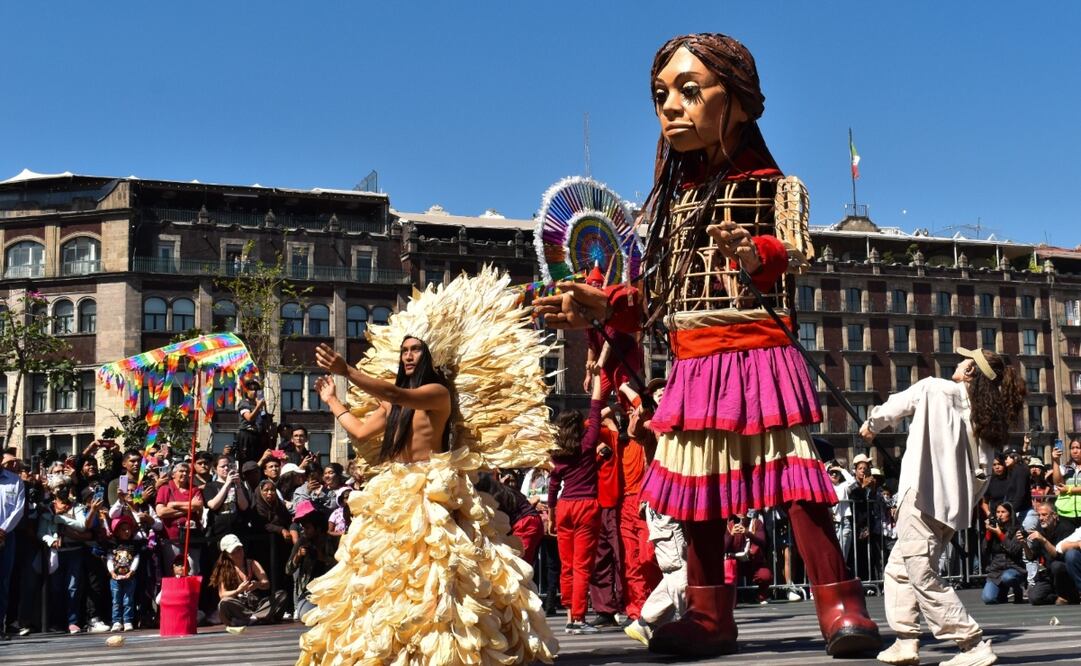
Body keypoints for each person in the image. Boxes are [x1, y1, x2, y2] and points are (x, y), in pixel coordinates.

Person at [533, 32, 878, 658]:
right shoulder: (667, 206)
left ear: (739, 101)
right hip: (693, 362)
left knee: (796, 480)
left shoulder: (775, 188)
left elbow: (784, 254)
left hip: (759, 352)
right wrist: (596, 304)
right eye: (661, 94)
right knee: (697, 494)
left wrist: (754, 253)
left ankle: (839, 603)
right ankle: (710, 614)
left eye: (690, 91)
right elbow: (652, 302)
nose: (670, 106)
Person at [297, 334, 556, 665]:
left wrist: (346, 370)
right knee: (387, 575)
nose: (408, 355)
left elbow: (395, 392)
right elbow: (361, 431)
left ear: (429, 356)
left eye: (415, 349)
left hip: (432, 490)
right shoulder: (393, 405)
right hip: (393, 492)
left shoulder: (436, 393)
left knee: (440, 572)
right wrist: (332, 400)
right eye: (404, 350)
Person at [862, 347, 1025, 666]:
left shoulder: (934, 388)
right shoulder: (985, 419)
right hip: (950, 509)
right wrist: (964, 505)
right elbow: (983, 474)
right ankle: (906, 640)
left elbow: (895, 406)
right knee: (899, 568)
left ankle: (971, 643)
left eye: (965, 360)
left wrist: (871, 425)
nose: (959, 362)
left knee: (921, 574)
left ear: (970, 372)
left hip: (920, 498)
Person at [549, 376, 605, 635]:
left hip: (564, 506)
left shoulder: (557, 453)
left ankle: (569, 612)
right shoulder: (587, 444)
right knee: (583, 565)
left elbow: (552, 485)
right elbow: (595, 410)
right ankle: (579, 617)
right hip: (586, 505)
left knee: (567, 565)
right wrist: (597, 379)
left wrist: (550, 513)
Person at [211, 533, 286, 634]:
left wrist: (258, 585)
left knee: (281, 595)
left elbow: (266, 583)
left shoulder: (252, 563)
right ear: (227, 554)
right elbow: (222, 594)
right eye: (234, 552)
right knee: (223, 604)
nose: (238, 554)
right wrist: (238, 590)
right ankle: (258, 618)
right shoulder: (224, 569)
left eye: (240, 549)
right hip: (240, 608)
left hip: (257, 605)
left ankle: (254, 618)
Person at [1023, 502, 1080, 605]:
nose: (1040, 518)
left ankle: (1067, 594)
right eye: (1039, 515)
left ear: (1054, 515)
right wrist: (1024, 544)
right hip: (1049, 574)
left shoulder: (1066, 528)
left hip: (1066, 573)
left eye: (1044, 515)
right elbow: (1031, 557)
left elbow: (1058, 555)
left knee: (1056, 566)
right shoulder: (1040, 529)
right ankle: (1064, 597)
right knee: (1034, 598)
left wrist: (1043, 540)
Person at [154, 462, 205, 575]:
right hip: (172, 539)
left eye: (187, 471)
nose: (185, 473)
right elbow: (161, 512)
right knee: (173, 571)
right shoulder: (165, 489)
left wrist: (173, 504)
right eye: (181, 471)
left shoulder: (194, 489)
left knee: (193, 570)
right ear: (173, 474)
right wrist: (189, 508)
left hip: (192, 537)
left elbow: (198, 505)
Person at [0, 452, 27, 639]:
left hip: (5, 537)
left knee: (3, 583)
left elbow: (18, 508)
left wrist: (3, 530)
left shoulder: (14, 480)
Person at [981, 502, 1025, 604]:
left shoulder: (1017, 529)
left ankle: (1018, 590)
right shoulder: (994, 529)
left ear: (1010, 514)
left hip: (1013, 567)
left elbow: (1014, 550)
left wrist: (1000, 534)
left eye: (1003, 512)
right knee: (988, 599)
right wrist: (988, 533)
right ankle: (1002, 592)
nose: (1000, 515)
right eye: (998, 512)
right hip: (996, 570)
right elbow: (984, 551)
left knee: (1008, 577)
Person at [106, 514, 140, 631]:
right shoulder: (113, 545)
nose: (126, 532)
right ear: (117, 531)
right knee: (116, 600)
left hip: (129, 577)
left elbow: (136, 558)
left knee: (128, 599)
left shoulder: (133, 545)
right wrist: (111, 572)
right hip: (115, 578)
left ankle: (127, 620)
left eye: (128, 529)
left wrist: (132, 571)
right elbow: (109, 559)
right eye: (123, 529)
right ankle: (116, 621)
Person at [236, 379, 269, 463]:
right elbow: (249, 418)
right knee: (247, 460)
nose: (254, 392)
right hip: (247, 435)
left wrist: (263, 408)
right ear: (246, 391)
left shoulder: (257, 403)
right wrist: (258, 406)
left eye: (256, 390)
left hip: (258, 435)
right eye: (252, 389)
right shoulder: (244, 403)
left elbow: (264, 418)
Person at [1052, 439, 1081, 531]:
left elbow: (1066, 489)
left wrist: (1069, 489)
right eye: (1072, 448)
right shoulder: (1065, 468)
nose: (1075, 451)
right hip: (1065, 514)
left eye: (1078, 448)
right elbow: (1057, 483)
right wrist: (1056, 461)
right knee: (1066, 544)